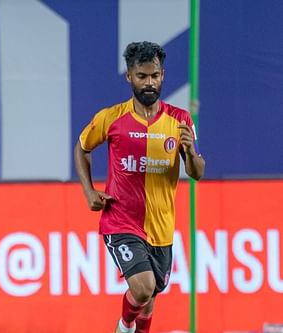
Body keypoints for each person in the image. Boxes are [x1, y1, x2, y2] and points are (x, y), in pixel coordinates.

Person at [74, 41, 205, 333]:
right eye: (142, 76)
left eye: (154, 76)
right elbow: (82, 148)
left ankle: (134, 324)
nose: (149, 83)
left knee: (149, 298)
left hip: (161, 226)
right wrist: (88, 191)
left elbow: (196, 173)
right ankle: (124, 325)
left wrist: (191, 152)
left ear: (163, 76)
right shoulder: (111, 118)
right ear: (129, 77)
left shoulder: (180, 120)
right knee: (143, 287)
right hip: (121, 221)